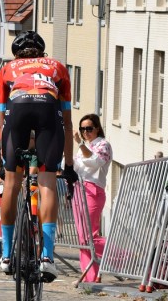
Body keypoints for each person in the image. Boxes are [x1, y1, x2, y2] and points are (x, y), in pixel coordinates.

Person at [0, 31, 78, 281]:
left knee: (11, 185)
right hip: (47, 109)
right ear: (42, 52)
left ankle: (6, 255)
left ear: (17, 54)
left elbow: (2, 119)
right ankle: (47, 257)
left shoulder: (7, 68)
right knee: (47, 185)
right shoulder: (57, 66)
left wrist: (5, 161)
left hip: (17, 109)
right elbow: (67, 122)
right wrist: (69, 165)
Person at [72, 113, 112, 283]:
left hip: (93, 190)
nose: (85, 132)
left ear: (97, 128)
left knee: (90, 236)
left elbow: (95, 162)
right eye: (82, 129)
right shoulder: (84, 147)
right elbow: (76, 167)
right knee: (83, 237)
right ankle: (90, 276)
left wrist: (80, 144)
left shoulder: (103, 145)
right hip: (78, 190)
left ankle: (127, 257)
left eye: (89, 128)